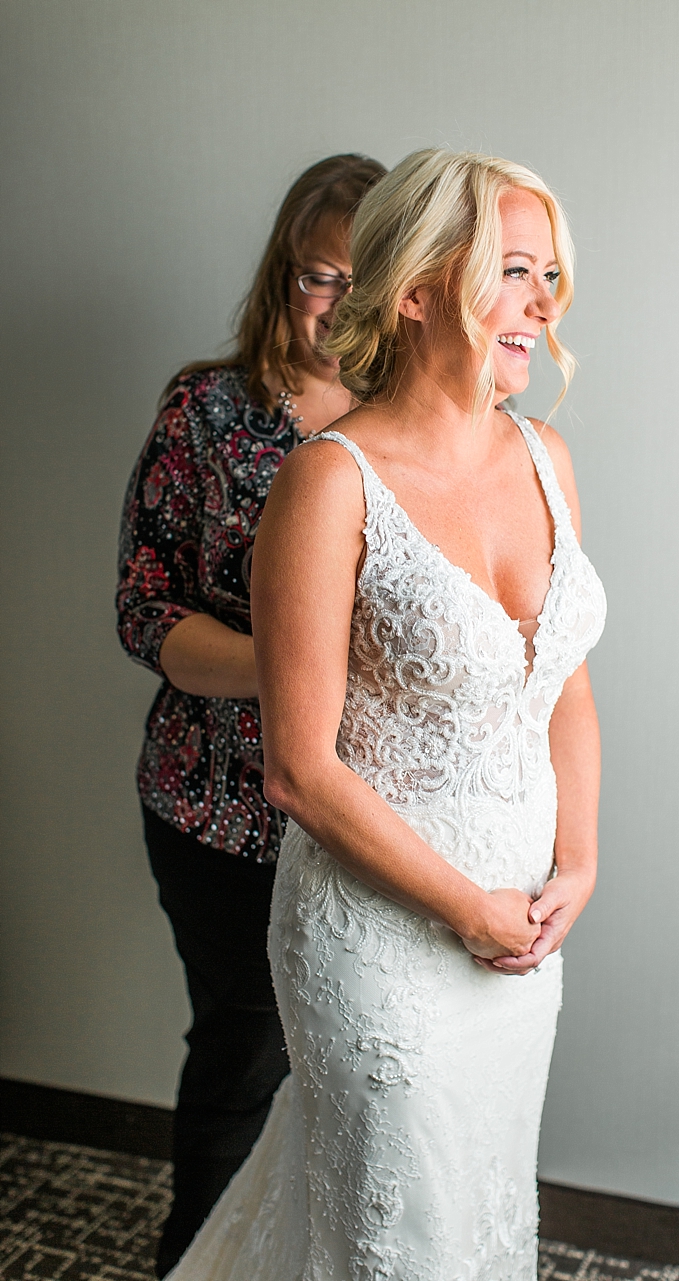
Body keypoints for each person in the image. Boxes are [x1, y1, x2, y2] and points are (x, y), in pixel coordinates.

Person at [162, 148, 606, 1279]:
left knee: (480, 1204)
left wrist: (581, 863)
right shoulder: (329, 482)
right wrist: (466, 908)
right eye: (512, 271)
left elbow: (564, 686)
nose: (542, 303)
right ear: (414, 290)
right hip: (381, 941)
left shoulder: (547, 457)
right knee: (396, 1235)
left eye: (548, 274)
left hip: (523, 936)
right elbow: (301, 770)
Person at [115, 152, 386, 1277]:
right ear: (285, 273)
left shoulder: (427, 427)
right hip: (215, 810)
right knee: (244, 1052)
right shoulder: (208, 412)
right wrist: (290, 672)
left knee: (362, 1065)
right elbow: (143, 613)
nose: (337, 307)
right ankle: (198, 1261)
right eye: (319, 277)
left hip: (376, 816)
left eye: (364, 282)